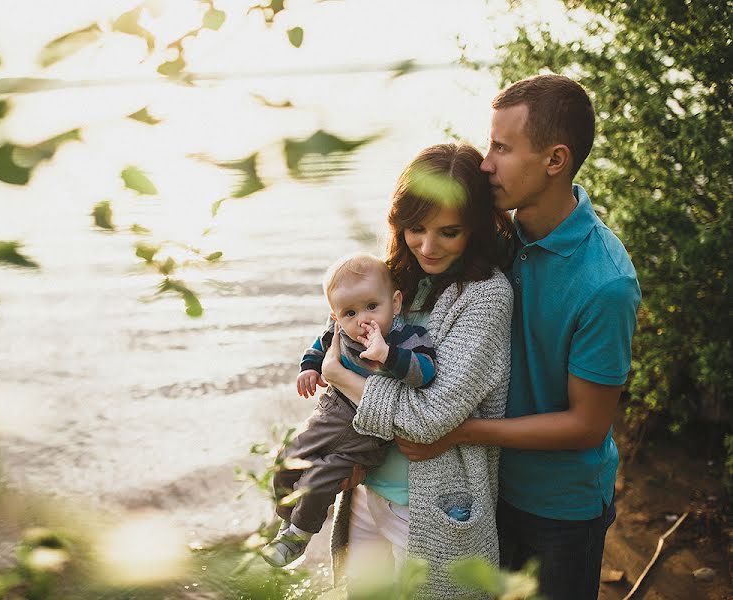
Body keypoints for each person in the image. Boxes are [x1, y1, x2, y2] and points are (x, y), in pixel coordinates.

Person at [397, 74, 641, 600]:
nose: (486, 163)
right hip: (485, 487)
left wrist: (462, 432)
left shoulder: (606, 282)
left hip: (560, 511)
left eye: (502, 148)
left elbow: (586, 425)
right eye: (489, 144)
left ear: (555, 160)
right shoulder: (496, 236)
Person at [321, 143, 514, 599]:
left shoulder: (485, 296)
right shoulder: (392, 278)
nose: (428, 246)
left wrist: (342, 378)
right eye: (416, 228)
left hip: (434, 510)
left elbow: (430, 419)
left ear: (475, 228)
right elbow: (336, 335)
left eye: (449, 232)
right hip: (368, 495)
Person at [262, 252, 438, 568]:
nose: (362, 320)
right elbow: (321, 342)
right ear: (336, 315)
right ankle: (286, 521)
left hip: (366, 435)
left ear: (395, 303)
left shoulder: (409, 338)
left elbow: (425, 373)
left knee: (321, 477)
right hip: (332, 414)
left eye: (373, 306)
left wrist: (388, 355)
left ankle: (299, 536)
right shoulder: (341, 330)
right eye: (350, 313)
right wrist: (310, 367)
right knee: (285, 462)